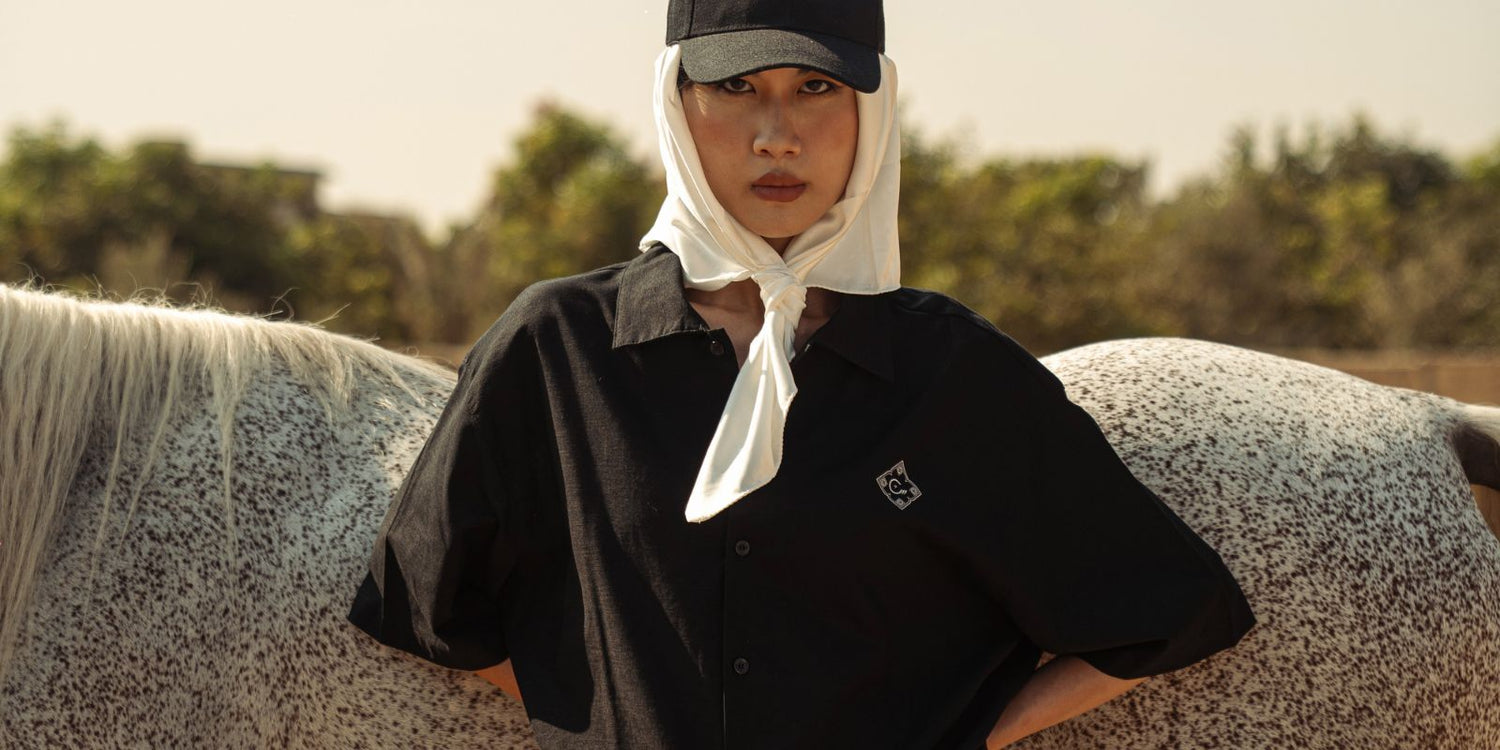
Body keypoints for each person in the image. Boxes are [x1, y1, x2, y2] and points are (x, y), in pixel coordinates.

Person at [346, 0, 1256, 748]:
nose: (777, 134)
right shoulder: (555, 348)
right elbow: (427, 601)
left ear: (873, 111)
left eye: (816, 87)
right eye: (737, 88)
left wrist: (971, 735)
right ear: (676, 103)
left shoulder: (953, 371)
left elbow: (1167, 609)